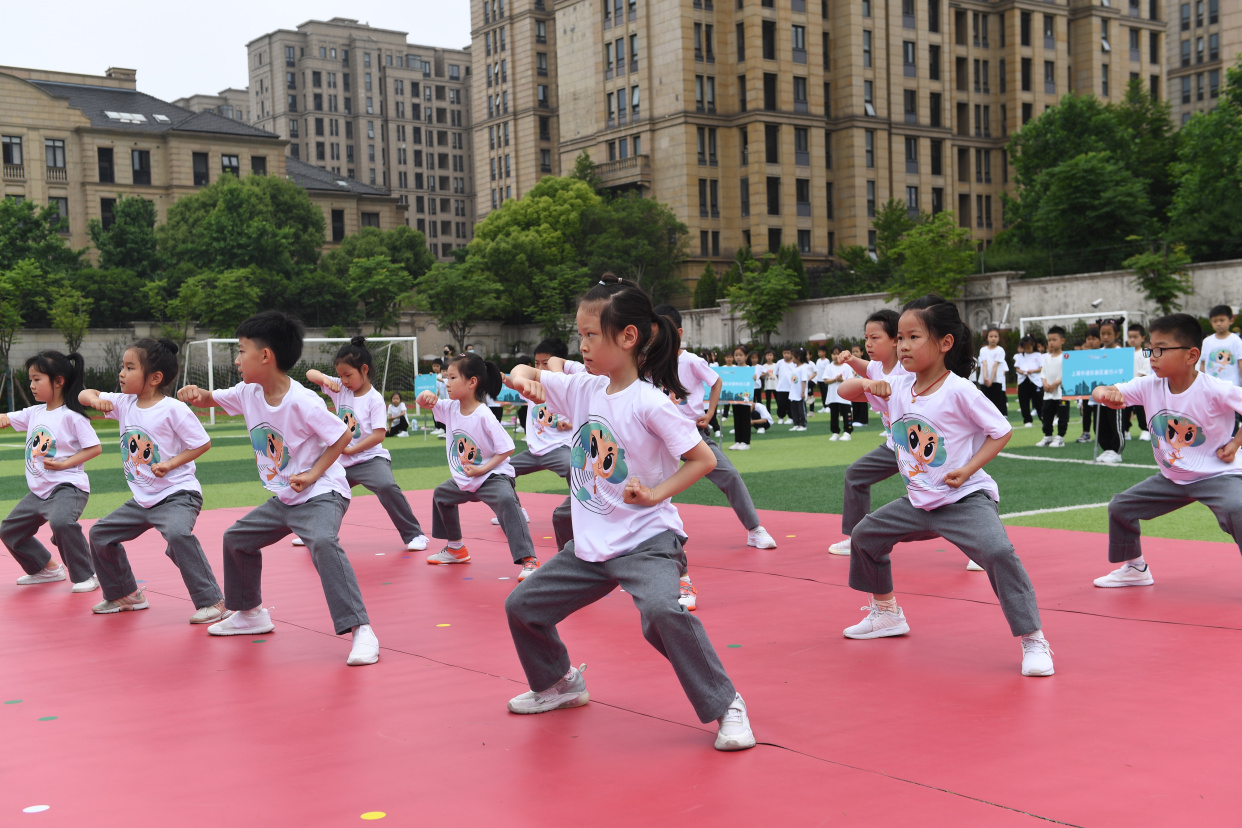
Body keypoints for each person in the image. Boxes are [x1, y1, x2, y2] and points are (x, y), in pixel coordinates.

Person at [504, 275, 755, 751]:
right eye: (578, 334)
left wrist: (657, 493)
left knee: (662, 611)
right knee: (523, 607)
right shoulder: (583, 388)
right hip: (592, 548)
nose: (581, 345)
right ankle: (560, 683)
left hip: (646, 540)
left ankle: (728, 704)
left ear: (628, 337)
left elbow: (701, 459)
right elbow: (526, 370)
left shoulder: (651, 402)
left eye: (590, 335)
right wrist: (523, 379)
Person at [836, 296, 1054, 677]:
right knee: (865, 535)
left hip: (964, 498)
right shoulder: (898, 385)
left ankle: (1033, 638)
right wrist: (873, 383)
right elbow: (846, 392)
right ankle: (886, 613)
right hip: (919, 502)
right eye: (899, 338)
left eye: (912, 337)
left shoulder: (959, 390)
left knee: (998, 551)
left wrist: (968, 469)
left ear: (944, 343)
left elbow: (1000, 431)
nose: (902, 345)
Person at [177, 311, 379, 666]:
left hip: (321, 493)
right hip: (287, 496)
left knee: (322, 541)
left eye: (241, 351)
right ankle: (251, 613)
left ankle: (361, 629)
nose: (237, 360)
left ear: (265, 356)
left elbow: (342, 435)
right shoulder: (248, 392)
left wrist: (314, 473)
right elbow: (213, 399)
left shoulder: (303, 401)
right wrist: (197, 394)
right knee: (237, 540)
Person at [1091, 313, 1242, 588]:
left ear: (1191, 355)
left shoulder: (1215, 389)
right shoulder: (1149, 385)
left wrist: (1235, 442)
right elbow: (1102, 390)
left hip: (1216, 475)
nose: (1152, 356)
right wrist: (1104, 394)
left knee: (1239, 507)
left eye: (1161, 349)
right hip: (1172, 478)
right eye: (1150, 348)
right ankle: (1136, 568)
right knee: (1120, 506)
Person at [80, 339, 227, 622]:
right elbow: (84, 394)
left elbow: (201, 443)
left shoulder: (173, 409)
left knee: (177, 534)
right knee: (100, 534)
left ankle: (214, 602)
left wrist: (171, 463)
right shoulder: (123, 403)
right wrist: (94, 399)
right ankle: (125, 594)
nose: (121, 373)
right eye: (122, 367)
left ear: (155, 377)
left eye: (129, 367)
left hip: (177, 493)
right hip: (143, 499)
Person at [655, 304, 777, 558]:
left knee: (729, 474)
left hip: (690, 434)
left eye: (665, 329)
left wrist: (709, 413)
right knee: (647, 482)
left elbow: (716, 380)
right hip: (655, 436)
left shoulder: (690, 361)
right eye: (655, 329)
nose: (659, 335)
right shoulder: (647, 362)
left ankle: (754, 529)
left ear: (678, 332)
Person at [299, 337, 430, 553]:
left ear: (364, 370)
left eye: (348, 375)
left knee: (387, 486)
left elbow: (379, 435)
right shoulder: (340, 387)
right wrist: (326, 379)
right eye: (340, 375)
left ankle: (415, 534)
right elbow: (310, 374)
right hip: (340, 461)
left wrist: (351, 449)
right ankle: (314, 533)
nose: (344, 379)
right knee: (319, 489)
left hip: (369, 459)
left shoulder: (375, 399)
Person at [416, 353, 540, 579]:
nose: (447, 383)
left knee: (505, 500)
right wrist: (425, 396)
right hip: (467, 478)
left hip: (492, 476)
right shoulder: (450, 408)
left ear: (472, 382)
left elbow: (507, 448)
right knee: (441, 495)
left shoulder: (484, 414)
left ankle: (529, 559)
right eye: (446, 378)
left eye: (452, 378)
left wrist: (483, 469)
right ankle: (456, 548)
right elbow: (423, 403)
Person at [0, 351, 102, 593]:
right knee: (9, 530)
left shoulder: (72, 416)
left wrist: (66, 464)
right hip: (39, 491)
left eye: (37, 379)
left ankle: (87, 574)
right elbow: (5, 418)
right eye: (30, 380)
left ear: (58, 381)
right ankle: (45, 569)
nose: (32, 385)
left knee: (61, 522)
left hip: (67, 487)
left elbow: (95, 448)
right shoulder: (34, 413)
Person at [830, 310, 902, 555]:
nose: (868, 343)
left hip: (922, 447)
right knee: (856, 475)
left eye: (875, 338)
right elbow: (864, 372)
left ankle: (980, 548)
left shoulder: (908, 370)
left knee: (949, 496)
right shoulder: (878, 369)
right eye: (866, 338)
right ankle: (856, 538)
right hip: (895, 446)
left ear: (895, 339)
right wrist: (851, 361)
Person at [493, 337, 578, 529]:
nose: (539, 368)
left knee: (575, 467)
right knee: (500, 471)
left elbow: (585, 413)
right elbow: (516, 384)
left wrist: (570, 423)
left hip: (560, 448)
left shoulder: (569, 386)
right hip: (534, 451)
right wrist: (505, 378)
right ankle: (515, 510)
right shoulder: (532, 385)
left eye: (545, 363)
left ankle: (582, 508)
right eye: (537, 363)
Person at [1199, 304, 1242, 435]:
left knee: (1232, 417)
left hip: (1231, 386)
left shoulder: (1236, 341)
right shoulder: (1207, 341)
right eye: (1215, 321)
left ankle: (1232, 442)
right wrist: (1199, 383)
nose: (1218, 324)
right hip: (1211, 387)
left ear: (1231, 320)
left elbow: (1240, 362)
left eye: (1221, 320)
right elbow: (1203, 363)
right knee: (1212, 417)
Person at [1093, 320, 1126, 464]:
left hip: (1115, 395)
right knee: (1099, 425)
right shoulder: (1096, 354)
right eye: (1102, 333)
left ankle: (1116, 451)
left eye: (1109, 333)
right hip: (1099, 396)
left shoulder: (1122, 353)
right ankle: (1106, 449)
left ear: (1116, 334)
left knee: (1115, 424)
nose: (1105, 337)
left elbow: (1126, 372)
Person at [1036, 326, 1070, 448]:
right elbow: (1043, 373)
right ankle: (1048, 436)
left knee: (1062, 416)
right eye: (1049, 340)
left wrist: (1055, 384)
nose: (1051, 342)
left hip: (1061, 393)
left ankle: (1060, 437)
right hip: (1048, 394)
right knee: (1046, 415)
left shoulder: (1066, 357)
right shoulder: (1047, 358)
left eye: (1054, 339)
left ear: (1062, 341)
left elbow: (1067, 373)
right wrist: (1045, 383)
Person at [820, 348, 855, 441]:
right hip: (833, 396)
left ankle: (848, 432)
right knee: (834, 415)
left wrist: (841, 380)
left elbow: (851, 381)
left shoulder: (847, 367)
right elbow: (825, 380)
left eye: (837, 354)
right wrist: (835, 379)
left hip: (845, 396)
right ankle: (835, 433)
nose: (835, 356)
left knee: (846, 414)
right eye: (833, 354)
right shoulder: (829, 367)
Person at [1125, 323, 1152, 442]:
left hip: (1140, 388)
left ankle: (1146, 430)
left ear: (1142, 338)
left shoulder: (1146, 352)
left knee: (1141, 410)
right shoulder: (1125, 353)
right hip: (1126, 388)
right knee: (1125, 410)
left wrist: (1135, 381)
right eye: (1130, 336)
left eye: (1135, 337)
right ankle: (1125, 430)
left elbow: (1145, 369)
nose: (1132, 339)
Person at [1077, 327, 1102, 443]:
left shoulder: (1105, 354)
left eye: (1093, 338)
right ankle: (1086, 433)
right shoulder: (1083, 356)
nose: (1090, 341)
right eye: (1088, 339)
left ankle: (1100, 434)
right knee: (1086, 412)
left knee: (1099, 413)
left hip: (1101, 390)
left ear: (1100, 340)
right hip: (1087, 390)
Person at [977, 326, 1009, 415]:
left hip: (996, 381)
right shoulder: (983, 350)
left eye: (996, 336)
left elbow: (995, 365)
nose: (993, 339)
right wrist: (985, 378)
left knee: (997, 404)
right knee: (985, 404)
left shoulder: (1000, 350)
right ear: (987, 337)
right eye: (991, 336)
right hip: (984, 381)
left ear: (999, 338)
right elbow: (984, 364)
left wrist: (991, 379)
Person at [1014, 336, 1044, 427]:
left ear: (1033, 345)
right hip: (1023, 380)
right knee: (1024, 401)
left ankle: (1042, 417)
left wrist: (1033, 371)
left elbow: (1041, 367)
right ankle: (1027, 420)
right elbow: (1017, 368)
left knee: (1038, 400)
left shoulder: (1038, 355)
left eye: (1029, 346)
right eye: (1025, 347)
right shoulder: (1019, 356)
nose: (1027, 349)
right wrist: (1022, 372)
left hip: (1035, 380)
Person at [729, 347, 753, 450]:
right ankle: (737, 441)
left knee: (745, 420)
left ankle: (745, 442)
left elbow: (753, 384)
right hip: (735, 398)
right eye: (736, 355)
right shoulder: (733, 369)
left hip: (746, 400)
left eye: (741, 355)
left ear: (746, 356)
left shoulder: (749, 369)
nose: (738, 357)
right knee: (737, 420)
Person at [787, 348, 810, 431]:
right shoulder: (794, 368)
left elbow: (804, 381)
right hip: (793, 393)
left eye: (793, 357)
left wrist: (803, 392)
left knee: (801, 410)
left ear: (798, 357)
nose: (792, 359)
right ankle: (796, 424)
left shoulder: (803, 368)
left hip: (800, 393)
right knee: (794, 410)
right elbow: (793, 380)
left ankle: (803, 424)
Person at [775, 347, 795, 424]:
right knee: (781, 403)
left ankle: (791, 417)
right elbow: (775, 373)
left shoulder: (794, 363)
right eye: (784, 353)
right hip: (781, 387)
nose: (786, 355)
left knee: (790, 404)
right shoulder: (779, 362)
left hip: (791, 388)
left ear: (791, 354)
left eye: (788, 353)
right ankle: (781, 417)